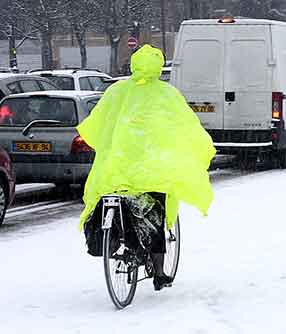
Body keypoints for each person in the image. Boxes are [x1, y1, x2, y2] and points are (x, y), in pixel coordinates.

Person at [77, 44, 216, 291]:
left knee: (113, 198)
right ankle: (159, 273)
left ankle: (116, 239)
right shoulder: (167, 95)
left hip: (117, 170)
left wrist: (109, 147)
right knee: (156, 216)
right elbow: (185, 127)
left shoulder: (116, 92)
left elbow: (98, 123)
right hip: (152, 171)